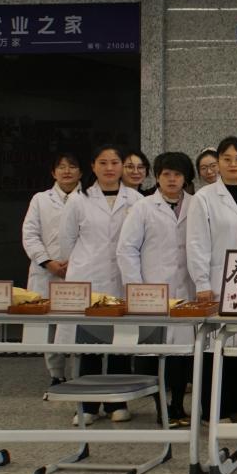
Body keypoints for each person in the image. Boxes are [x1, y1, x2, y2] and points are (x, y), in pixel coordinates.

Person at [56, 144, 143, 424]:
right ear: (92, 166)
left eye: (115, 162)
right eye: (103, 162)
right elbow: (66, 241)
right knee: (89, 344)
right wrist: (84, 263)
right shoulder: (78, 200)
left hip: (121, 278)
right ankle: (88, 405)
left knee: (120, 344)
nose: (109, 168)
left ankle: (117, 402)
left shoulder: (136, 199)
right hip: (89, 277)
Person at [186, 136, 237, 422]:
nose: (233, 164)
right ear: (217, 163)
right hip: (216, 279)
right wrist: (202, 283)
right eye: (227, 159)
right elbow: (196, 243)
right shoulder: (204, 198)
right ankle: (212, 410)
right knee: (213, 346)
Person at [116, 151, 196, 427]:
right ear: (157, 177)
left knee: (182, 354)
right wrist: (136, 288)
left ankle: (178, 407)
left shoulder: (196, 205)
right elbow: (127, 249)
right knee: (153, 353)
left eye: (177, 174)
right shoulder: (143, 208)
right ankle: (160, 407)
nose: (172, 179)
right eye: (166, 174)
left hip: (186, 290)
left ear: (186, 178)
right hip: (151, 291)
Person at [22, 152, 82, 393]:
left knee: (78, 325)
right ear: (53, 172)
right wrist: (48, 262)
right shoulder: (40, 199)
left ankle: (79, 375)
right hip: (47, 272)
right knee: (50, 326)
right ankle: (57, 375)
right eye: (61, 167)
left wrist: (74, 265)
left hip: (78, 272)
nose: (67, 171)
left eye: (72, 166)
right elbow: (30, 234)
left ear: (81, 171)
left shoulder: (88, 198)